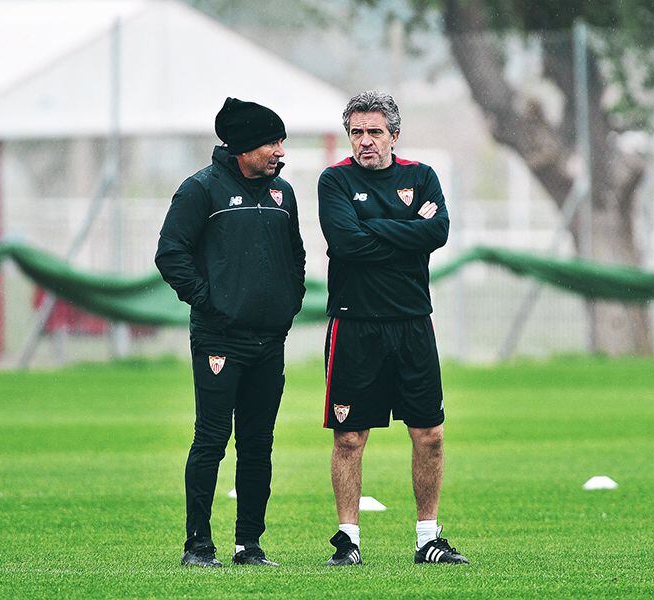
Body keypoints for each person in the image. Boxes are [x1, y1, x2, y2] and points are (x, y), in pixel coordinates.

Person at [317, 90, 468, 566]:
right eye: (356, 132)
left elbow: (438, 232)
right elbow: (345, 242)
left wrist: (374, 228)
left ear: (394, 136)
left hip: (411, 324)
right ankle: (348, 541)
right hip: (354, 325)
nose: (364, 141)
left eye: (374, 132)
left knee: (430, 435)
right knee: (349, 438)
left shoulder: (421, 176)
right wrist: (408, 228)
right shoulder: (334, 180)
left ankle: (428, 539)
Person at [155, 97, 306, 568]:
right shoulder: (200, 190)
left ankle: (250, 546)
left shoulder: (283, 194)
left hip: (270, 341)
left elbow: (296, 257)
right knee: (212, 439)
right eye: (270, 142)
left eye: (281, 141)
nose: (279, 151)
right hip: (220, 340)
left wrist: (288, 305)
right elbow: (170, 254)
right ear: (242, 147)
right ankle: (198, 546)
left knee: (259, 444)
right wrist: (210, 303)